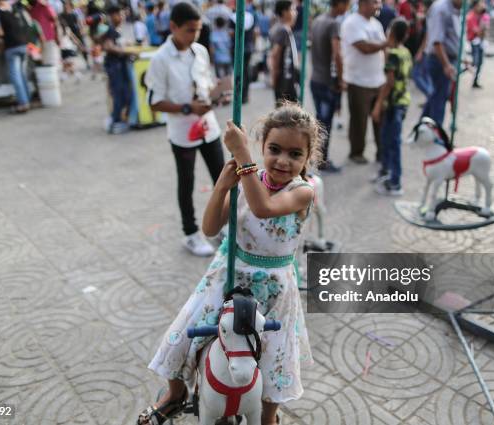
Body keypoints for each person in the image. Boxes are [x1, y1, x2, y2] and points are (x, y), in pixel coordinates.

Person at [138, 103, 318, 425]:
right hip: (229, 274)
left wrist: (243, 155)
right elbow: (209, 229)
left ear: (307, 159)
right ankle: (176, 393)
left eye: (295, 154)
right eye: (274, 149)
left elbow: (263, 208)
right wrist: (222, 185)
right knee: (183, 334)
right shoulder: (247, 178)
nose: (282, 161)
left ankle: (268, 417)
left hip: (274, 289)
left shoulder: (303, 191)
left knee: (273, 356)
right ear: (263, 146)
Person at [144, 1, 225, 256]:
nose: (194, 35)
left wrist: (216, 95)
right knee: (186, 182)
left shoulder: (199, 51)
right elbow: (154, 102)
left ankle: (220, 226)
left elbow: (206, 84)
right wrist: (188, 108)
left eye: (198, 30)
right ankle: (190, 233)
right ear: (173, 27)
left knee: (222, 179)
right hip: (182, 131)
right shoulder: (160, 59)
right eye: (190, 30)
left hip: (208, 126)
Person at [341, 0, 387, 164]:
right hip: (358, 81)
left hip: (378, 80)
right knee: (359, 122)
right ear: (364, 3)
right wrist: (387, 43)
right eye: (375, 2)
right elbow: (365, 47)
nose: (379, 6)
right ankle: (356, 152)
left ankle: (382, 152)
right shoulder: (352, 23)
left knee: (380, 120)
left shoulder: (376, 24)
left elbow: (383, 49)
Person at [371, 17, 412, 196]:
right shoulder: (405, 52)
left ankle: (395, 181)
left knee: (392, 141)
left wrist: (378, 105)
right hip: (402, 101)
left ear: (392, 33)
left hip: (394, 103)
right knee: (388, 139)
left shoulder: (394, 54)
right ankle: (386, 173)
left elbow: (389, 83)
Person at [310, 0, 350, 172]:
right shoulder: (334, 23)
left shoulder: (319, 20)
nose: (347, 7)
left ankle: (317, 157)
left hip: (316, 79)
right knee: (325, 124)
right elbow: (337, 54)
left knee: (320, 122)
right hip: (327, 82)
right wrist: (341, 79)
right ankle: (322, 160)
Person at [420, 0, 462, 127]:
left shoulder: (452, 8)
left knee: (435, 97)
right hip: (439, 60)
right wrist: (446, 64)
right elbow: (436, 41)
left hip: (446, 59)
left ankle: (423, 128)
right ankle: (435, 134)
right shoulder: (441, 9)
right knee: (439, 99)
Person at [0, 0, 32, 113]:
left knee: (15, 76)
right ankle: (27, 99)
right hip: (23, 43)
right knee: (22, 74)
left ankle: (23, 103)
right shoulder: (12, 7)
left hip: (12, 46)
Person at [102, 5, 137, 134]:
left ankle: (119, 119)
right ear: (112, 16)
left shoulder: (117, 31)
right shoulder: (110, 31)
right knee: (119, 94)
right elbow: (108, 46)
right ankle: (115, 121)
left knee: (126, 93)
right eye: (119, 14)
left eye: (122, 14)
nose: (121, 17)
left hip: (121, 66)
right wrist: (125, 51)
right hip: (115, 67)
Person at [270, 0, 299, 106]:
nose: (295, 12)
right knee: (287, 115)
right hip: (285, 81)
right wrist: (274, 77)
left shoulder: (281, 28)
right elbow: (275, 54)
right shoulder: (282, 30)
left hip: (285, 80)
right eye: (293, 9)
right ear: (285, 12)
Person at [28, 0, 60, 67]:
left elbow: (55, 20)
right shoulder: (29, 9)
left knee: (51, 63)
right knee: (41, 63)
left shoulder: (44, 6)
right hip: (36, 42)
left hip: (48, 38)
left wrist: (58, 36)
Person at [466, 0, 489, 88]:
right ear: (475, 6)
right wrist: (483, 29)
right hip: (474, 41)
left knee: (480, 63)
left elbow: (486, 30)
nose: (482, 6)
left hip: (481, 42)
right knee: (475, 62)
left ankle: (475, 80)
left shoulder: (483, 16)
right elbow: (477, 31)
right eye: (480, 4)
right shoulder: (471, 16)